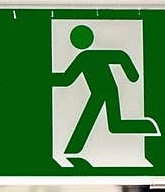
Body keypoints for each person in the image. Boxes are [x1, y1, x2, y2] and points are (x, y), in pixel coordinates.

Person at [53, 24, 157, 155]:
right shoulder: (85, 57)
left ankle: (73, 149)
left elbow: (66, 79)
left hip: (106, 91)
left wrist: (132, 75)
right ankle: (147, 127)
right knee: (114, 124)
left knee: (110, 124)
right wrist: (132, 75)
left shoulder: (84, 58)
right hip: (101, 92)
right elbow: (67, 79)